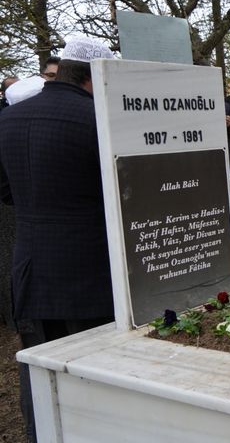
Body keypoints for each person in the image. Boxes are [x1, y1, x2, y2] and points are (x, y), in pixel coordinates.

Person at [0, 36, 116, 443]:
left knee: (38, 368)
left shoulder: (8, 118)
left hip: (31, 268)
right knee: (92, 372)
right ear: (95, 75)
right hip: (91, 271)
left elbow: (6, 191)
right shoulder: (98, 118)